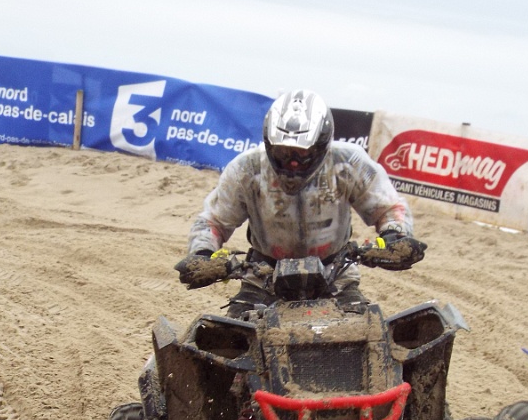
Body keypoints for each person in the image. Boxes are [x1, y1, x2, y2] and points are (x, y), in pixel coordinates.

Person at [175, 89, 424, 317]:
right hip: (263, 278)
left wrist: (395, 235)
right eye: (283, 152)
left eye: (302, 153)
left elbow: (390, 208)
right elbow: (214, 220)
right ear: (269, 143)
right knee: (229, 347)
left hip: (335, 276)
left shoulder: (348, 163)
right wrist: (203, 253)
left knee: (366, 341)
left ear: (322, 144)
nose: (292, 163)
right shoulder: (246, 169)